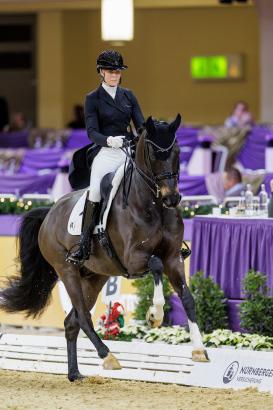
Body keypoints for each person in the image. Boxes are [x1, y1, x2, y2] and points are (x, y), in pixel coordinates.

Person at [67, 50, 144, 265]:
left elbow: (140, 125)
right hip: (107, 151)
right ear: (101, 72)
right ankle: (84, 243)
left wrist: (147, 134)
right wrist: (109, 140)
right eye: (110, 71)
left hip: (128, 150)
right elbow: (92, 132)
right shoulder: (92, 98)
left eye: (117, 71)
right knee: (95, 189)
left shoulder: (128, 95)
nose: (114, 75)